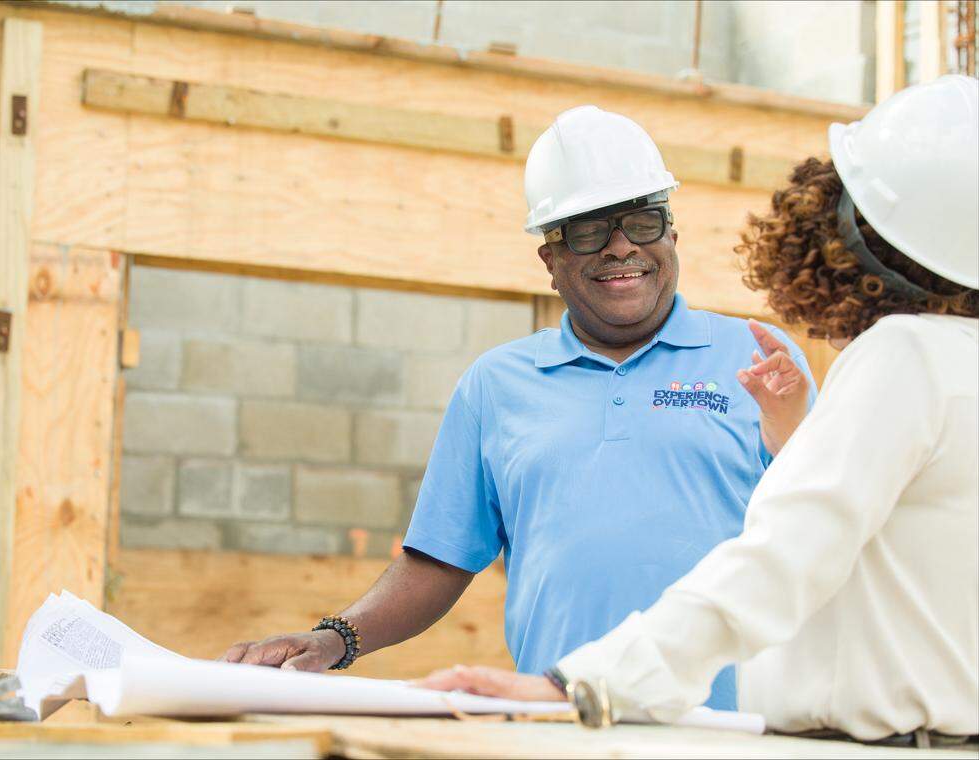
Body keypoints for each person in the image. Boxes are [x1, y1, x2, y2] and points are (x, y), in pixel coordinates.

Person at [415, 75, 979, 748]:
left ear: (860, 239)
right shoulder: (957, 366)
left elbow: (784, 555)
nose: (620, 247)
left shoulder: (904, 357)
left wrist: (584, 683)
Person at [224, 106, 816, 711]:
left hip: (734, 727)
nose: (620, 248)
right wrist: (333, 639)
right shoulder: (496, 386)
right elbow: (441, 559)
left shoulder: (756, 360)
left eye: (642, 222)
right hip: (564, 721)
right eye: (588, 231)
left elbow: (823, 529)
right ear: (551, 261)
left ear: (671, 235)